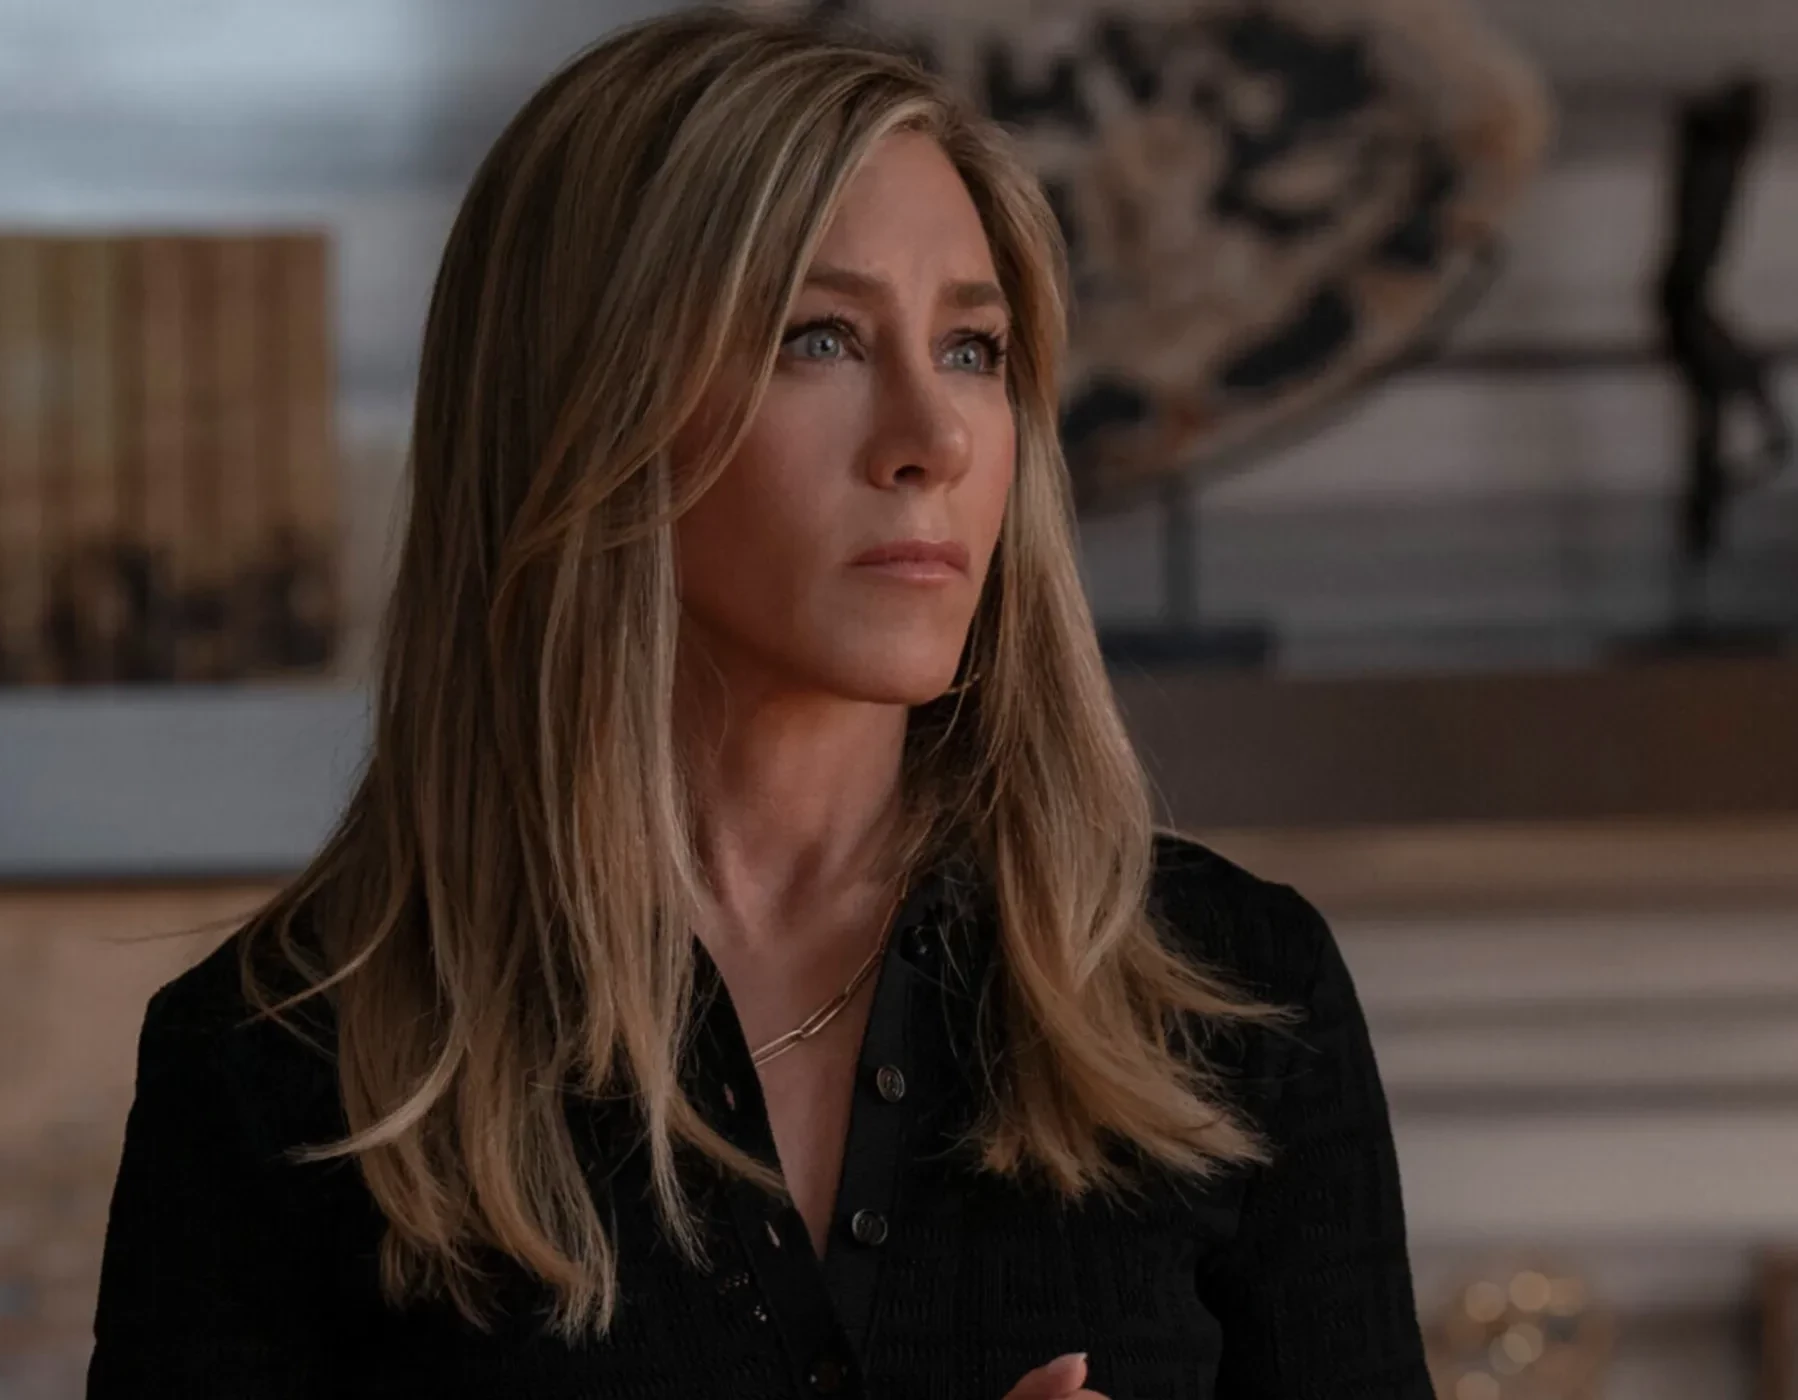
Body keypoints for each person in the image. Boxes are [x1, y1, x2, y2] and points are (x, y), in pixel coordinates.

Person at [87, 9, 1434, 1398]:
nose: (932, 438)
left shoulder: (1237, 991)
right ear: (585, 401)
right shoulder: (279, 1061)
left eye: (972, 349)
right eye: (819, 338)